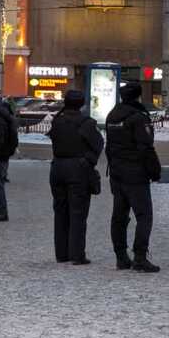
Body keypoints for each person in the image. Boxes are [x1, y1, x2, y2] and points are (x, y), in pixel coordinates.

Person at [105, 82, 161, 273]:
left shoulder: (112, 116)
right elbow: (146, 147)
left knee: (119, 216)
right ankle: (140, 256)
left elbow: (109, 146)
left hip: (117, 173)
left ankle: (121, 257)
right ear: (138, 96)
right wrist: (155, 171)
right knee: (144, 215)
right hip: (136, 174)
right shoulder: (138, 117)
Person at [48, 90, 104, 266]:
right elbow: (98, 144)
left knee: (60, 212)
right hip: (77, 170)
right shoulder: (85, 123)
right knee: (78, 213)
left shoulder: (58, 120)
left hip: (57, 168)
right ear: (82, 104)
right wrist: (88, 161)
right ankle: (77, 254)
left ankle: (62, 253)